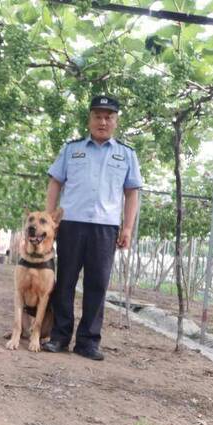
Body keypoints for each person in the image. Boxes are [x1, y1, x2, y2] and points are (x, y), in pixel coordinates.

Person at [42, 94, 143, 361]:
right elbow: (55, 183)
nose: (103, 121)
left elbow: (132, 193)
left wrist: (128, 228)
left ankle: (88, 341)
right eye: (97, 116)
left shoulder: (126, 155)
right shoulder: (71, 149)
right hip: (71, 224)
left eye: (108, 117)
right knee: (65, 282)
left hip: (105, 227)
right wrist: (50, 219)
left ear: (116, 122)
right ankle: (59, 336)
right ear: (89, 120)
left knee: (97, 285)